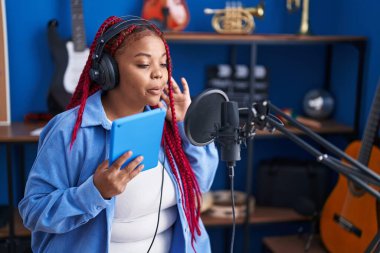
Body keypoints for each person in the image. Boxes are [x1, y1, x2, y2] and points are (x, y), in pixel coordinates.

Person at [18, 16, 219, 253]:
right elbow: (33, 212)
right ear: (108, 71)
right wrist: (94, 191)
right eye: (144, 64)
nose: (158, 74)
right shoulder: (69, 130)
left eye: (163, 64)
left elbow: (200, 184)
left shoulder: (166, 120)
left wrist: (186, 125)